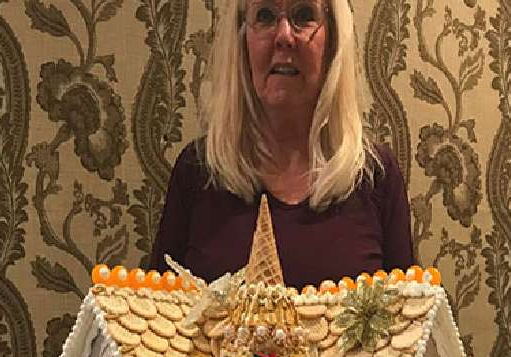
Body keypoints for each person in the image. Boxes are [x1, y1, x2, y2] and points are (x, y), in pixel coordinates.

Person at [148, 0, 413, 289]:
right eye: (265, 15)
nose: (284, 36)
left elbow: (408, 326)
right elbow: (158, 321)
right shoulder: (197, 170)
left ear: (334, 38)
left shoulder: (376, 175)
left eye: (303, 15)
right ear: (241, 42)